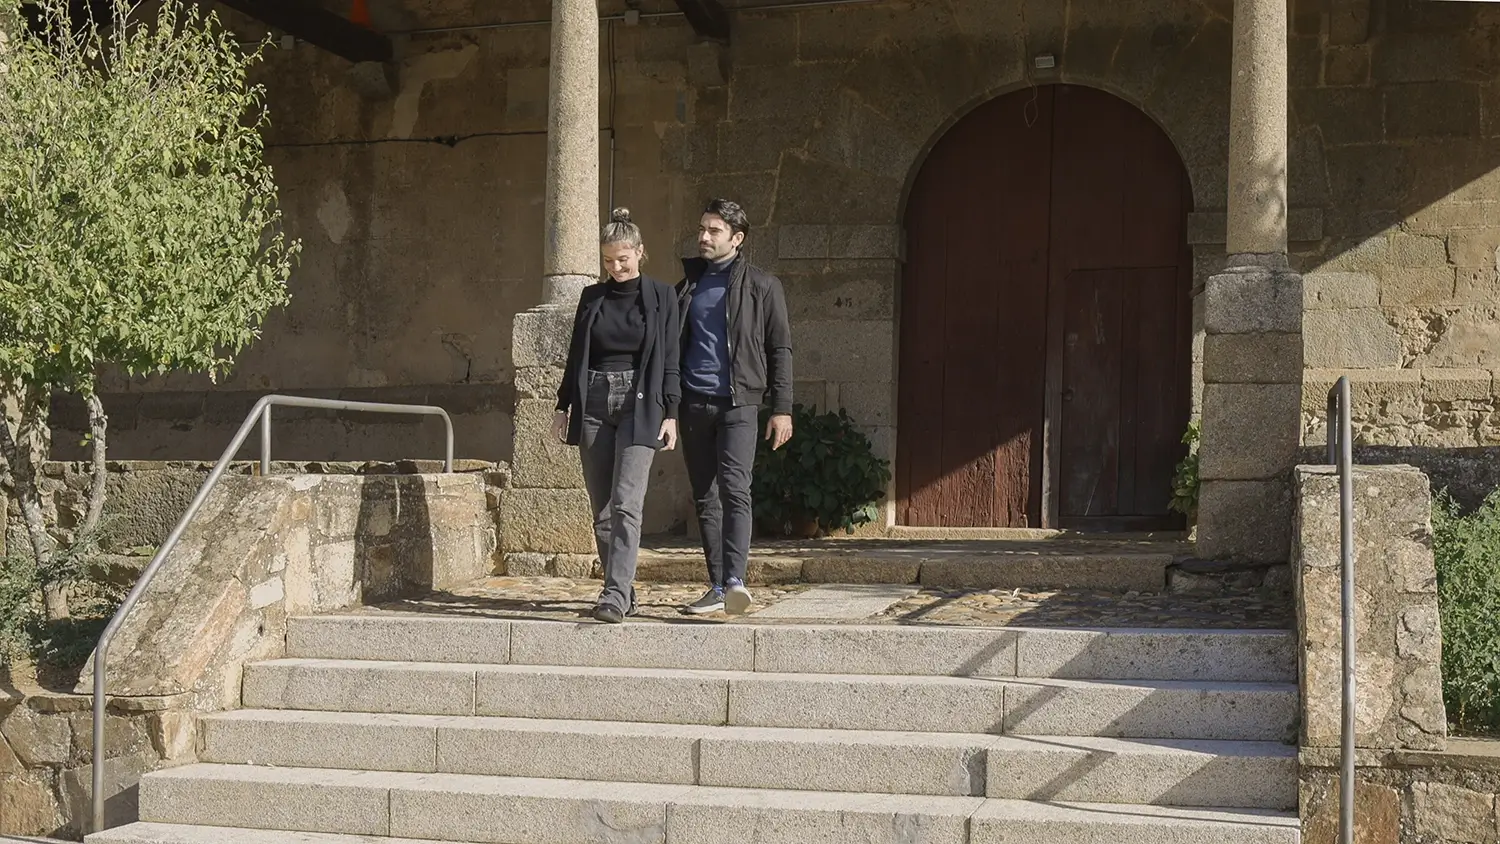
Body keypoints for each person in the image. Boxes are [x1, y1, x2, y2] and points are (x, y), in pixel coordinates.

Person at [552, 208, 682, 624]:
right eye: (608, 260)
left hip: (640, 404)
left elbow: (672, 359)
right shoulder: (592, 298)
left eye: (623, 259)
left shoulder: (662, 297)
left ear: (640, 253)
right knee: (603, 508)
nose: (616, 267)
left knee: (627, 503)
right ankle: (623, 588)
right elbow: (576, 356)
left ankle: (613, 593)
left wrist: (672, 412)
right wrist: (562, 407)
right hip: (593, 400)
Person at [676, 198, 794, 616]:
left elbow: (779, 349)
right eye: (702, 229)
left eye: (714, 231)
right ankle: (716, 584)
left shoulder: (763, 286)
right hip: (693, 403)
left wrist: (782, 409)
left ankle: (735, 581)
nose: (704, 237)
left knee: (736, 489)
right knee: (705, 497)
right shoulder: (688, 285)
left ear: (737, 239)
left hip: (739, 404)